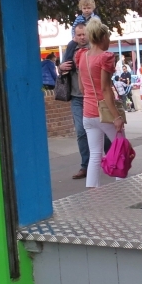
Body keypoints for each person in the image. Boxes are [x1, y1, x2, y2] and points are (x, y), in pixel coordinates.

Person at [74, 17, 125, 188]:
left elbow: (82, 88)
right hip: (104, 112)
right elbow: (105, 89)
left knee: (95, 155)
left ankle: (92, 193)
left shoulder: (82, 56)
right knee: (120, 150)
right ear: (102, 37)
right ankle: (122, 189)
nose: (109, 40)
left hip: (87, 113)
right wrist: (116, 117)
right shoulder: (105, 57)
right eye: (108, 37)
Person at [60, 21, 91, 180]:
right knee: (81, 131)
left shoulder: (94, 47)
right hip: (76, 97)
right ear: (75, 36)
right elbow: (63, 67)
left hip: (93, 96)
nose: (82, 37)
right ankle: (85, 166)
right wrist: (61, 68)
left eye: (84, 34)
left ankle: (112, 157)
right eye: (79, 35)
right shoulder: (71, 49)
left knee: (101, 129)